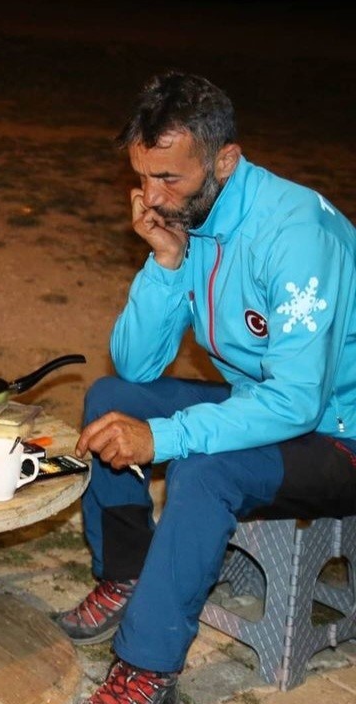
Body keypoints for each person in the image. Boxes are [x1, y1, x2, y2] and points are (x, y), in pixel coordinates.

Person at [54, 70, 356, 704]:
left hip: (339, 433)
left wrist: (164, 437)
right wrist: (164, 263)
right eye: (141, 176)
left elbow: (299, 402)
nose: (151, 197)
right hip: (273, 411)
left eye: (170, 178)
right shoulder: (193, 221)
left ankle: (146, 665)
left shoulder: (295, 236)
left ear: (226, 159)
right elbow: (135, 366)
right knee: (112, 400)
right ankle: (129, 574)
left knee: (202, 467)